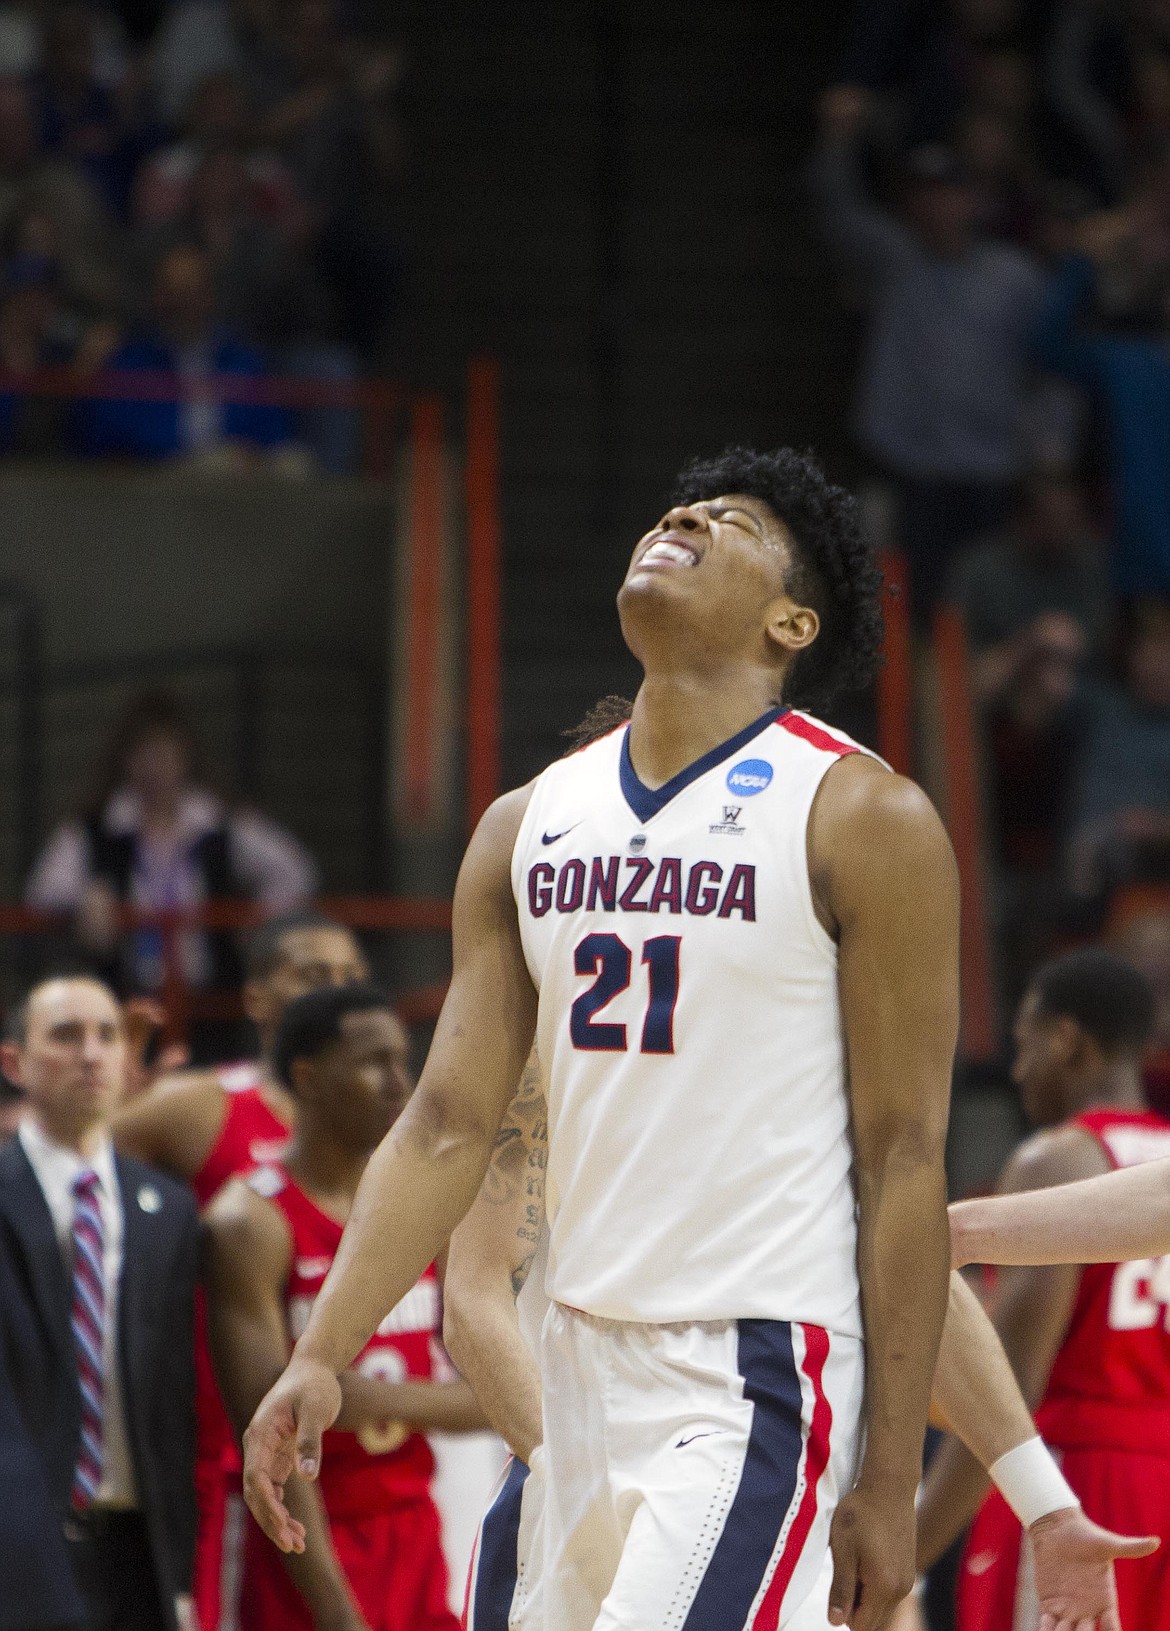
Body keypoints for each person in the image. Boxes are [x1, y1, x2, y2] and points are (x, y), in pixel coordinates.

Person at [246, 443, 962, 1631]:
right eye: (683, 501)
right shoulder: (527, 820)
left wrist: (890, 1476)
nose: (683, 510)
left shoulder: (863, 814)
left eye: (731, 519)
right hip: (570, 1360)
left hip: (754, 1369)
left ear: (793, 620)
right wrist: (324, 1348)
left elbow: (905, 1160)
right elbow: (445, 1121)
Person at [447, 1048, 1155, 1631]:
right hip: (555, 1463)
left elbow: (913, 1268)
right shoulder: (543, 1051)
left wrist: (1037, 1502)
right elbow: (472, 1295)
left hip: (745, 1455)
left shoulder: (795, 1069)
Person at [112, 908, 367, 1631]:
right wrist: (112, 1098)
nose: (336, 991)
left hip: (371, 1461)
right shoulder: (201, 1107)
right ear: (257, 997)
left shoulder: (387, 1118)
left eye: (350, 975)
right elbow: (71, 1166)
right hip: (233, 1447)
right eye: (314, 974)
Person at [206, 983, 486, 1631]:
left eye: (402, 1060)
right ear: (307, 1077)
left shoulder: (427, 1210)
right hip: (296, 1535)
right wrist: (339, 1615)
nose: (398, 1081)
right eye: (372, 1061)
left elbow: (490, 1398)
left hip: (414, 1527)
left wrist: (373, 1398)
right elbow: (269, 1435)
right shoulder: (248, 1220)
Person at [916, 948, 1170, 1631]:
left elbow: (1010, 1387)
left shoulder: (1057, 1157)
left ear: (1064, 1039)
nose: (1020, 1071)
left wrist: (908, 1553)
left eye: (1025, 1046)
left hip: (1075, 1478)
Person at [0, 974, 199, 1631]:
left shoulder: (167, 1208)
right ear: (14, 1061)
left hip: (138, 1549)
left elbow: (174, 1398)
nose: (91, 1053)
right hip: (22, 1544)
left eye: (107, 1035)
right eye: (65, 1035)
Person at [811, 87, 1046, 618]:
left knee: (983, 607)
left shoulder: (1013, 277)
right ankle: (908, 702)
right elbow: (836, 210)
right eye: (925, 193)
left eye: (949, 192)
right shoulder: (893, 260)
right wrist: (836, 142)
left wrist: (1044, 451)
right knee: (903, 604)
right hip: (909, 470)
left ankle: (969, 700)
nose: (937, 205)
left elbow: (1048, 364)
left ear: (973, 201)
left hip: (991, 473)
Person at [26, 690, 316, 1014]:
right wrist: (85, 898)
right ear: (125, 760)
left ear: (184, 758)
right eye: (143, 755)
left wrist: (256, 919)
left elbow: (294, 870)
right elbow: (43, 890)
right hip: (127, 1002)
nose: (154, 768)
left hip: (209, 1004)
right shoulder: (97, 828)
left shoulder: (220, 823)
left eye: (164, 754)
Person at [75, 242, 299, 467]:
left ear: (209, 296)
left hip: (239, 481)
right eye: (173, 292)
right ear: (157, 296)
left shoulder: (242, 362)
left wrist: (252, 454)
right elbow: (107, 441)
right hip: (162, 481)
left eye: (192, 292)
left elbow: (273, 434)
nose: (182, 304)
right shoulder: (130, 363)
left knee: (294, 464)